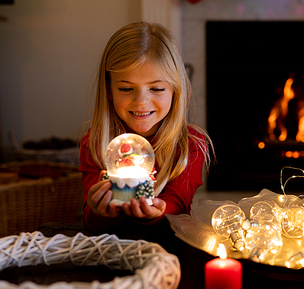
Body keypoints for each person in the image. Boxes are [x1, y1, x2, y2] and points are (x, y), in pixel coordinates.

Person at [79, 22, 212, 246]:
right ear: (109, 89)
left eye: (157, 89)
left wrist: (156, 213)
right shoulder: (96, 143)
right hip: (110, 253)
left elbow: (177, 208)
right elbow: (91, 223)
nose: (141, 102)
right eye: (126, 88)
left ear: (175, 90)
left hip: (168, 253)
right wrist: (100, 211)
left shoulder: (190, 145)